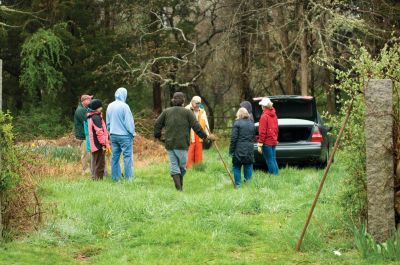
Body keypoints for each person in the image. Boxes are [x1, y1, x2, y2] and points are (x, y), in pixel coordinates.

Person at [154, 92, 216, 191]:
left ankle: (179, 185)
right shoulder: (187, 112)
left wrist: (158, 136)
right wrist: (206, 137)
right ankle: (179, 189)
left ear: (173, 101)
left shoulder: (166, 111)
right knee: (182, 167)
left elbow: (157, 123)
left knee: (176, 167)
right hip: (181, 144)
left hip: (169, 143)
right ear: (183, 101)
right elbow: (197, 127)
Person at [106, 87, 135, 182]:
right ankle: (129, 179)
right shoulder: (124, 106)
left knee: (115, 157)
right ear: (124, 95)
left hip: (113, 135)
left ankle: (115, 178)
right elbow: (129, 123)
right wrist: (132, 133)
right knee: (127, 157)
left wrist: (110, 131)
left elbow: (108, 123)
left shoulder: (110, 106)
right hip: (125, 136)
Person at [229, 107, 255, 186]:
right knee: (248, 166)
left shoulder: (237, 123)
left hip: (239, 149)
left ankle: (238, 185)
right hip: (249, 149)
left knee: (236, 167)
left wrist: (231, 151)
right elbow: (253, 136)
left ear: (238, 114)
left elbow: (233, 139)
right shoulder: (251, 123)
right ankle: (248, 185)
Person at [87, 99, 110, 180]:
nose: (102, 108)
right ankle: (98, 180)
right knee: (100, 163)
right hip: (98, 144)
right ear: (97, 107)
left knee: (96, 161)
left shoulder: (92, 116)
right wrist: (104, 143)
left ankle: (95, 178)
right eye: (100, 106)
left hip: (95, 143)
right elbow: (99, 132)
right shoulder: (96, 117)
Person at [185, 96, 210, 168]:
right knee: (190, 150)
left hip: (199, 134)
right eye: (196, 104)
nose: (197, 106)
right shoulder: (186, 109)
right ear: (192, 102)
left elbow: (206, 123)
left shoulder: (202, 111)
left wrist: (207, 135)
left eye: (199, 105)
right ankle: (189, 167)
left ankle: (198, 167)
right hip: (190, 134)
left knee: (198, 152)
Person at [257, 97, 279, 175]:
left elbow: (262, 132)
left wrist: (260, 144)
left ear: (263, 106)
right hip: (273, 141)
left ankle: (273, 177)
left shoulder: (264, 116)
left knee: (269, 160)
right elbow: (276, 129)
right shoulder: (274, 115)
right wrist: (275, 139)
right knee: (273, 159)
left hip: (267, 142)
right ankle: (276, 176)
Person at [74, 94, 93, 175]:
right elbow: (88, 121)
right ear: (84, 101)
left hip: (86, 136)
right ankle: (85, 171)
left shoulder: (85, 109)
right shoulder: (80, 110)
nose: (90, 101)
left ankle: (89, 170)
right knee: (85, 154)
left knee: (88, 153)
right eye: (89, 99)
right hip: (83, 136)